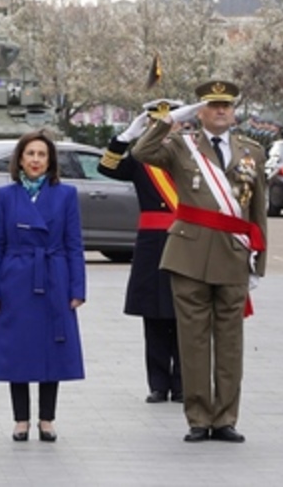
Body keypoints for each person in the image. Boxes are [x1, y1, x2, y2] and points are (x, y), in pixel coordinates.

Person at [132, 80, 267, 444]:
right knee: (193, 341)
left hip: (234, 256)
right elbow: (142, 152)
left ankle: (225, 418)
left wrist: (259, 262)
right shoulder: (180, 145)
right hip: (189, 255)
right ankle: (197, 416)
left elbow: (258, 211)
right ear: (200, 111)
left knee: (230, 342)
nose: (222, 110)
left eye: (227, 105)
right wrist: (170, 119)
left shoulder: (251, 150)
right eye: (213, 105)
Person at [0, 129, 85, 443]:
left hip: (54, 277)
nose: (36, 160)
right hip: (16, 280)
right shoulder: (6, 196)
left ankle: (47, 419)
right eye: (31, 154)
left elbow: (74, 245)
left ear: (50, 160)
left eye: (42, 154)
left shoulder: (66, 194)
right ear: (20, 160)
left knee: (52, 347)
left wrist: (77, 288)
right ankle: (21, 420)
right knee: (18, 350)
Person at [98, 99, 185, 404]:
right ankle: (158, 384)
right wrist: (124, 137)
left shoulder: (191, 155)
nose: (160, 128)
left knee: (185, 313)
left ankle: (183, 384)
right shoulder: (139, 158)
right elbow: (106, 167)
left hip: (187, 240)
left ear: (180, 123)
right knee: (154, 315)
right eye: (153, 123)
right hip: (152, 244)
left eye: (168, 122)